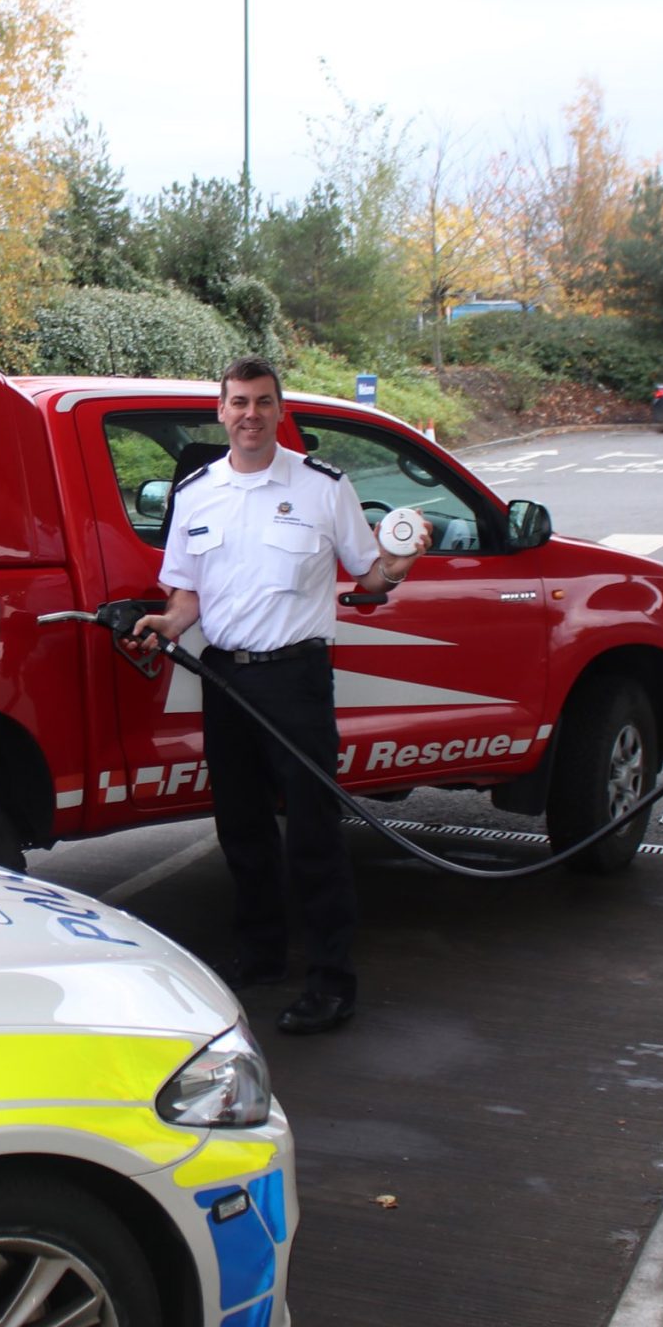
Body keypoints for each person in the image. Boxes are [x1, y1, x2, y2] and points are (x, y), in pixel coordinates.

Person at [131, 356, 429, 1035]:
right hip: (225, 676)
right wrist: (166, 623)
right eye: (238, 402)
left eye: (263, 402)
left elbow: (369, 575)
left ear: (279, 409)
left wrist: (398, 565)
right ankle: (262, 953)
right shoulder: (199, 490)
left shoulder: (323, 486)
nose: (250, 414)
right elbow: (186, 593)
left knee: (314, 832)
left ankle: (331, 979)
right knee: (240, 826)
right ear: (221, 410)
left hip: (295, 679)